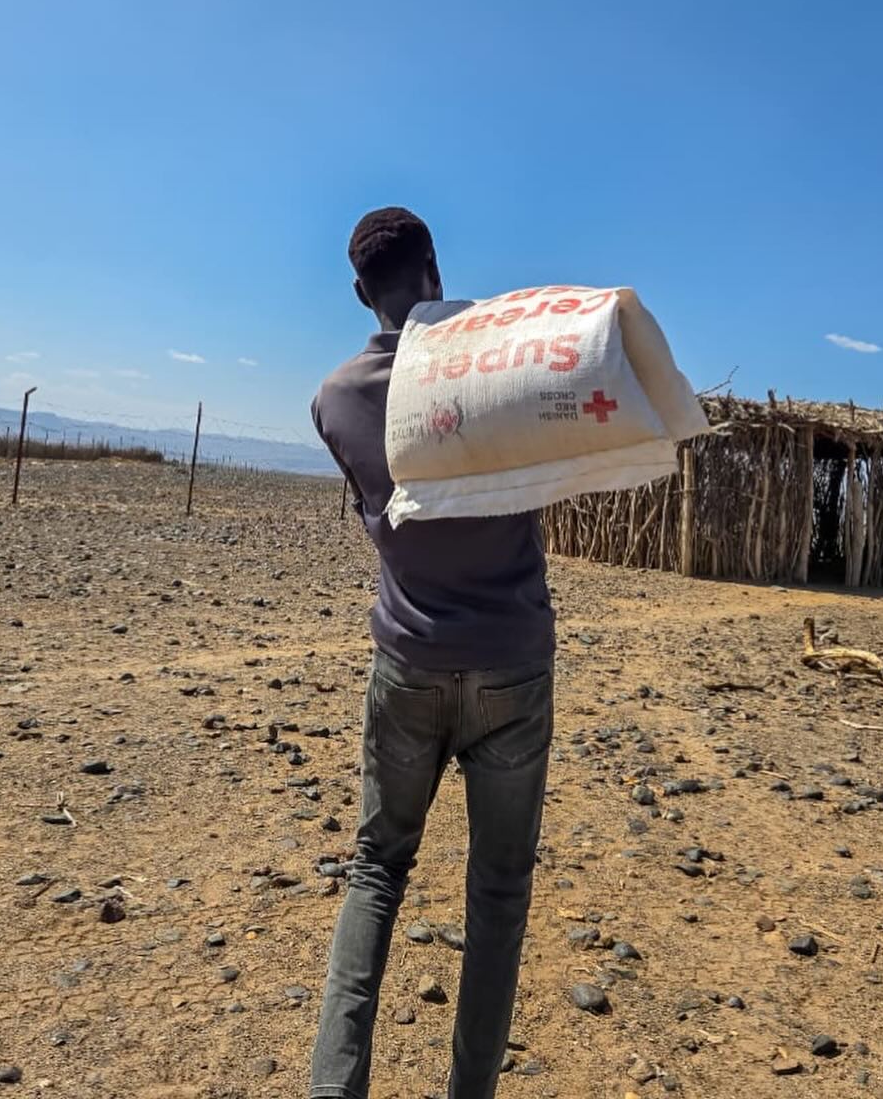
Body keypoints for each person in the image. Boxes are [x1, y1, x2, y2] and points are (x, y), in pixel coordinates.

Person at [308, 207, 556, 1099]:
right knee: (498, 895)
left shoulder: (335, 400)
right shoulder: (507, 375)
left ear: (359, 293)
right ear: (437, 271)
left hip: (409, 662)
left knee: (376, 870)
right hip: (515, 666)